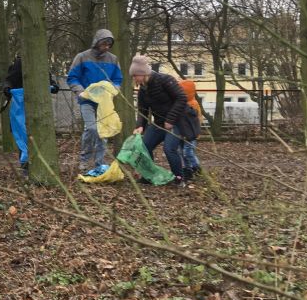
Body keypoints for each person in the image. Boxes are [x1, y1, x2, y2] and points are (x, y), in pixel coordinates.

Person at [130, 55, 198, 186]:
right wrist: (140, 125)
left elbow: (181, 98)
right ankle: (148, 175)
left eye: (134, 75)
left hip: (177, 121)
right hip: (160, 122)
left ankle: (179, 178)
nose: (134, 79)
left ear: (142, 73)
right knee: (145, 146)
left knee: (169, 149)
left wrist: (171, 119)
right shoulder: (143, 89)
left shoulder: (165, 80)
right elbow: (143, 109)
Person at [66, 29, 123, 171]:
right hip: (87, 100)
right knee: (91, 128)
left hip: (105, 102)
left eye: (109, 44)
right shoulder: (82, 57)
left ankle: (99, 163)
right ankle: (84, 159)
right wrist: (80, 92)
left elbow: (117, 80)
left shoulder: (113, 59)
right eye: (104, 43)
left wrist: (114, 90)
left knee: (102, 132)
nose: (106, 47)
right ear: (97, 42)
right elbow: (72, 77)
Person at [0, 55, 60, 171]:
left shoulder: (40, 62)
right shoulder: (20, 63)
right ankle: (26, 165)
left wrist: (54, 85)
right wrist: (7, 88)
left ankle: (38, 164)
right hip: (21, 106)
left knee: (37, 134)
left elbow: (48, 79)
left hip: (39, 107)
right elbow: (9, 80)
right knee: (23, 133)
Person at [178, 79, 204, 179]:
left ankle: (196, 168)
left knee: (188, 152)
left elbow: (196, 120)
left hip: (191, 133)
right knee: (181, 152)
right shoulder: (181, 103)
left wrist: (196, 133)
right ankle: (188, 169)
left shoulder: (193, 104)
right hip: (182, 132)